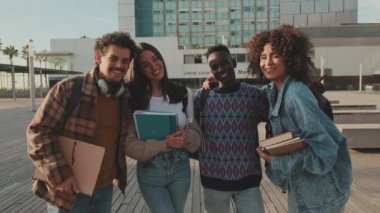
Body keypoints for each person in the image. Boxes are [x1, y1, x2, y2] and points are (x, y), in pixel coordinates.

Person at [26, 31, 137, 212]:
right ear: (98, 57)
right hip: (68, 190)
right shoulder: (69, 89)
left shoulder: (124, 97)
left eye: (125, 61)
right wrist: (61, 176)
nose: (120, 65)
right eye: (113, 58)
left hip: (105, 189)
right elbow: (38, 133)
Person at [248, 24, 352, 212]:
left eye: (275, 55)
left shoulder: (296, 93)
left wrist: (276, 161)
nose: (268, 62)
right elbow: (251, 94)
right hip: (302, 191)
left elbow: (325, 153)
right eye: (263, 57)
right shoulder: (275, 90)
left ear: (289, 58)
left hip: (320, 198)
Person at [126, 42, 203, 213]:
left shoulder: (183, 93)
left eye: (155, 59)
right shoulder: (132, 99)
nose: (154, 67)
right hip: (151, 170)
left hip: (181, 169)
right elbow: (129, 145)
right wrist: (165, 144)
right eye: (146, 65)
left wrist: (186, 137)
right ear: (139, 70)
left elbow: (196, 135)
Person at [194, 44, 268, 213]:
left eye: (225, 63)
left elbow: (279, 111)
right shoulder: (202, 97)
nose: (221, 69)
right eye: (214, 67)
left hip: (248, 180)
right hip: (213, 181)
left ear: (233, 62)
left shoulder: (254, 95)